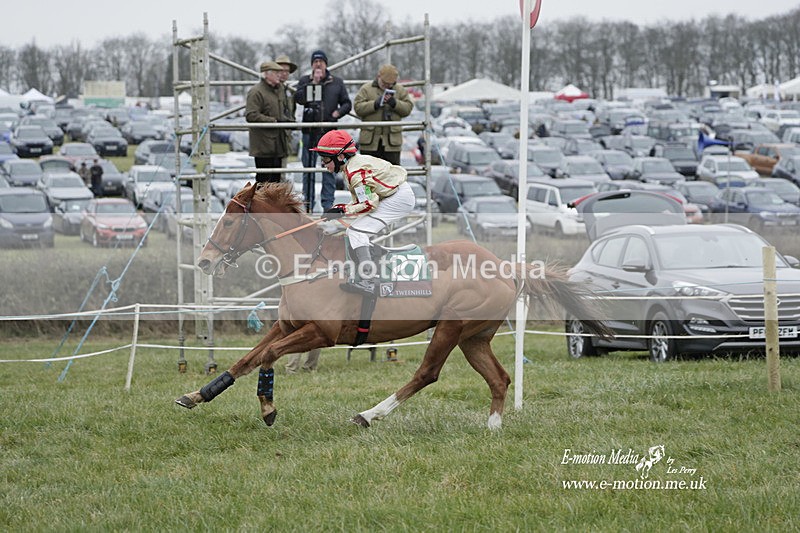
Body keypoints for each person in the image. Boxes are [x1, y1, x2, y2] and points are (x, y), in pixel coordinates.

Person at [314, 130, 415, 295]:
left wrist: (343, 210)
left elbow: (369, 204)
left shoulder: (355, 173)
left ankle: (369, 280)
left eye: (326, 160)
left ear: (341, 157)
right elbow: (363, 200)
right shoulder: (352, 166)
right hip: (393, 195)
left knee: (356, 232)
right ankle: (369, 267)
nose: (324, 164)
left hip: (398, 199)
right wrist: (340, 208)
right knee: (354, 231)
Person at [295, 50, 352, 212]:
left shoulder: (336, 82)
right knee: (308, 170)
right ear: (312, 65)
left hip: (329, 133)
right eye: (315, 62)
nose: (318, 64)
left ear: (326, 64)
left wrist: (337, 113)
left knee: (330, 169)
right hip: (309, 132)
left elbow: (347, 103)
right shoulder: (305, 80)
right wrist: (313, 83)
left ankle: (327, 205)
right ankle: (308, 204)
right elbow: (299, 99)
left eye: (321, 61)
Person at [353, 64, 414, 165]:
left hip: (392, 143)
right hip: (370, 142)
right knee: (369, 172)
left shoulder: (400, 90)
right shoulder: (366, 89)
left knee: (392, 172)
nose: (387, 86)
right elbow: (357, 108)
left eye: (390, 84)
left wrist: (395, 103)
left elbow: (408, 108)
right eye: (385, 83)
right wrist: (374, 104)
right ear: (378, 76)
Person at [246, 61, 290, 183]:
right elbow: (251, 115)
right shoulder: (256, 92)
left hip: (278, 144)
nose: (279, 75)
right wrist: (274, 121)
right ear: (266, 74)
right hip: (263, 146)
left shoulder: (279, 90)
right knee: (264, 181)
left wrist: (286, 122)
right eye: (276, 72)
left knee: (276, 181)